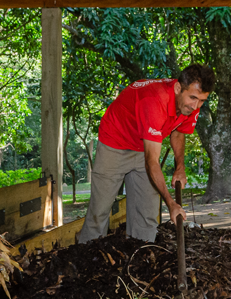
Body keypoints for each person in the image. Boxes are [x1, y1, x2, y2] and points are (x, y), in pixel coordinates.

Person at [78, 64, 216, 243]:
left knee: (147, 214)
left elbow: (178, 131)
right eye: (193, 98)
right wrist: (171, 203)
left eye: (202, 101)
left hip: (144, 145)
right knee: (100, 211)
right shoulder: (154, 100)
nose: (196, 105)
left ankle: (139, 258)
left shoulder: (190, 105)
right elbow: (152, 162)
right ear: (177, 88)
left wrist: (180, 166)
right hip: (115, 143)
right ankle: (86, 255)